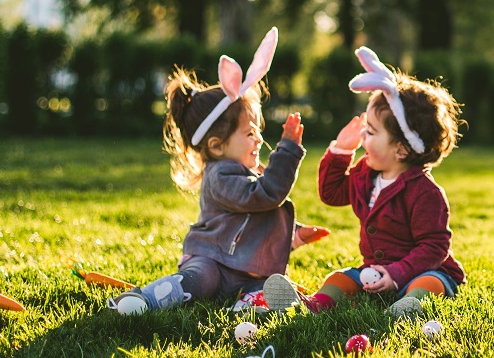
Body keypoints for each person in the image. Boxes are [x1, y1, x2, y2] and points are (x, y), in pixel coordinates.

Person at [109, 28, 321, 314]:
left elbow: (256, 218)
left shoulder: (243, 172)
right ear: (217, 145)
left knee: (264, 284)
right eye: (249, 132)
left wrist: (294, 233)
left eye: (257, 129)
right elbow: (266, 196)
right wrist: (287, 151)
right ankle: (145, 299)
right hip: (213, 261)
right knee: (199, 282)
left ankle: (253, 303)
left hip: (245, 269)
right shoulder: (220, 176)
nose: (259, 138)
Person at [261, 46, 465, 320]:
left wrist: (396, 274)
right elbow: (331, 193)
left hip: (422, 270)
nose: (363, 138)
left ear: (402, 149)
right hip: (374, 270)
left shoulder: (426, 193)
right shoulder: (365, 173)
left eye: (371, 132)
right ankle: (312, 305)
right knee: (341, 277)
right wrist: (341, 152)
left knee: (429, 283)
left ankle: (407, 307)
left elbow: (435, 247)